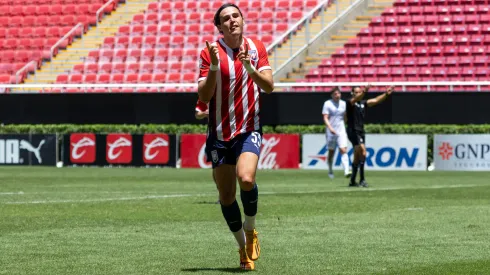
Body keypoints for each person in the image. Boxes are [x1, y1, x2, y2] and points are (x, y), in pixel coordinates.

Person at [197, 3, 274, 271]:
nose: (232, 21)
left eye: (235, 16)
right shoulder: (210, 52)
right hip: (219, 134)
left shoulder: (257, 48)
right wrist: (215, 67)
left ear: (242, 19)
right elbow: (204, 97)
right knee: (227, 196)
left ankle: (251, 229)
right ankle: (242, 248)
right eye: (225, 19)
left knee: (247, 178)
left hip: (248, 128)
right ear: (219, 26)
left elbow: (269, 87)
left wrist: (251, 69)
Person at [346, 85, 395, 187]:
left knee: (357, 156)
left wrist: (386, 94)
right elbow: (356, 99)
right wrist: (364, 91)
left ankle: (352, 180)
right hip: (353, 130)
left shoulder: (363, 103)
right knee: (363, 152)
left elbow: (376, 100)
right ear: (353, 93)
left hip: (360, 131)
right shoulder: (350, 102)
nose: (359, 94)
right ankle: (362, 179)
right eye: (357, 92)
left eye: (360, 92)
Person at [322, 87, 351, 179]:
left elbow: (345, 116)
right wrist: (330, 128)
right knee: (331, 152)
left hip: (341, 130)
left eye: (338, 93)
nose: (337, 95)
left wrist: (345, 124)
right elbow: (325, 117)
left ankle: (346, 170)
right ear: (332, 95)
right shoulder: (327, 103)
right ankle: (330, 169)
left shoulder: (344, 104)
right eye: (335, 94)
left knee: (343, 150)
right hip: (331, 131)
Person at [195, 99, 219, 204]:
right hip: (214, 138)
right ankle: (221, 193)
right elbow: (197, 114)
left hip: (232, 136)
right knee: (216, 166)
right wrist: (206, 113)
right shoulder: (206, 95)